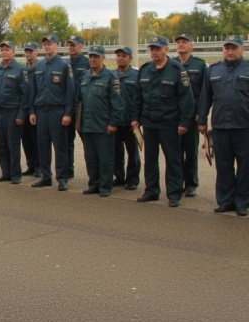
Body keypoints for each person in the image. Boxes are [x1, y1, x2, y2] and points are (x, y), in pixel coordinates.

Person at [130, 36, 194, 207]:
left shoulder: (176, 70)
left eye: (157, 49)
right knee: (150, 160)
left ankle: (174, 193)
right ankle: (151, 190)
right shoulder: (145, 69)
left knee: (173, 160)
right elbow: (138, 97)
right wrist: (135, 118)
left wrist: (184, 123)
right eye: (152, 49)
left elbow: (186, 99)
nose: (154, 52)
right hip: (149, 124)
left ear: (166, 49)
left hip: (169, 124)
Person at [198, 35, 249, 216]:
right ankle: (226, 201)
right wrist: (202, 121)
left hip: (244, 126)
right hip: (220, 126)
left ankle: (242, 202)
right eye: (227, 48)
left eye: (233, 48)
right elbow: (205, 97)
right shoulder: (213, 70)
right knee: (223, 165)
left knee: (245, 166)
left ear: (242, 49)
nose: (230, 51)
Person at [30, 34, 76, 191]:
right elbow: (33, 90)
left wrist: (68, 113)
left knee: (60, 146)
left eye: (50, 43)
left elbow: (70, 91)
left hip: (57, 111)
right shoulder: (39, 65)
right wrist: (32, 111)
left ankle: (62, 178)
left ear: (57, 45)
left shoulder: (64, 65)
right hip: (41, 111)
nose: (47, 46)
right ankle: (45, 176)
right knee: (42, 145)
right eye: (45, 44)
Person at [77, 45, 123, 197]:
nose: (93, 60)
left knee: (105, 159)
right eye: (90, 57)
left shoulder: (110, 77)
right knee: (91, 158)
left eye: (96, 57)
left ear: (103, 58)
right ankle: (94, 184)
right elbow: (80, 100)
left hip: (103, 126)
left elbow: (117, 103)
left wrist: (113, 123)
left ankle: (105, 186)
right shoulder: (84, 76)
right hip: (87, 125)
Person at [0, 41, 29, 184]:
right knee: (1, 145)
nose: (4, 52)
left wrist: (21, 115)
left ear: (13, 52)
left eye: (7, 49)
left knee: (13, 145)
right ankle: (5, 172)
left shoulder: (21, 70)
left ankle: (15, 174)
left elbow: (25, 95)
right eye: (2, 50)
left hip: (13, 113)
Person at [174, 34, 207, 197]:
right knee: (176, 152)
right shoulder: (171, 63)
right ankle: (177, 183)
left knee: (191, 151)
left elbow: (205, 92)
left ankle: (191, 183)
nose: (181, 45)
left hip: (192, 116)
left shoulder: (199, 65)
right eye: (178, 42)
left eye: (184, 42)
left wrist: (201, 114)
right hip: (174, 116)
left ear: (191, 45)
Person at [112, 46, 140, 190]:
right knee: (116, 152)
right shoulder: (111, 75)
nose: (120, 58)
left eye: (124, 56)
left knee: (133, 153)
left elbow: (139, 99)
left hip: (130, 122)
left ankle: (133, 179)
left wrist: (137, 119)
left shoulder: (136, 76)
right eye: (118, 56)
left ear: (130, 58)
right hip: (116, 121)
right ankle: (119, 176)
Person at [65, 35, 89, 179]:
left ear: (81, 46)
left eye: (74, 45)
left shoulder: (87, 63)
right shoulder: (65, 63)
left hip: (81, 107)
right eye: (69, 45)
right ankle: (68, 169)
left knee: (87, 141)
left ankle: (94, 173)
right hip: (68, 106)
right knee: (67, 140)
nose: (71, 47)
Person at [21, 42, 40, 177]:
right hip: (24, 108)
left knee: (37, 140)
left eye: (31, 51)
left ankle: (39, 166)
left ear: (36, 52)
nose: (28, 54)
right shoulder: (23, 69)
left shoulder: (40, 68)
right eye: (26, 52)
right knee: (26, 139)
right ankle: (31, 165)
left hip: (36, 109)